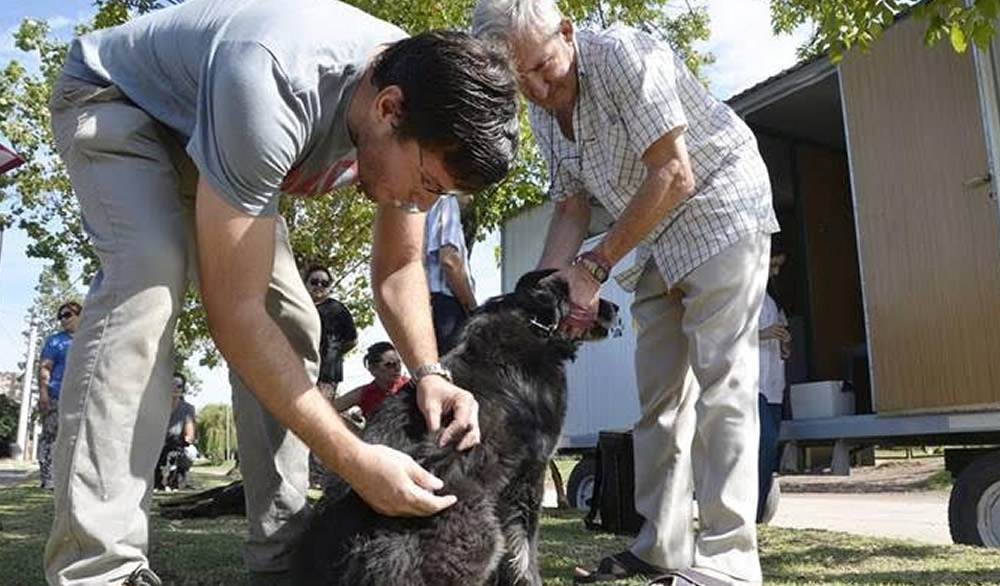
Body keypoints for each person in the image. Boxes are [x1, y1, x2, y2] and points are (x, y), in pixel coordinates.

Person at [45, 0, 519, 584]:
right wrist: (353, 459)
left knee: (294, 321)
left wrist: (431, 373)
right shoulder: (274, 80)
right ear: (388, 109)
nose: (420, 205)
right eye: (425, 184)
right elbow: (234, 315)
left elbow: (398, 270)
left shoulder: (423, 92)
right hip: (118, 102)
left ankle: (284, 559)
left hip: (215, 140)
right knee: (146, 284)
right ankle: (101, 566)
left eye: (438, 195)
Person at [473, 2, 779, 584]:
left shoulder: (625, 56)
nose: (537, 89)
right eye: (521, 81)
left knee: (723, 381)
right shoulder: (543, 113)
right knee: (660, 397)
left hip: (720, 206)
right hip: (657, 231)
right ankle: (660, 545)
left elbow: (673, 172)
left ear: (567, 31)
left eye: (543, 68)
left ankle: (729, 560)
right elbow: (571, 206)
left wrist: (595, 265)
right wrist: (541, 297)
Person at [757, 242, 790, 523]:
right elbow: (725, 339)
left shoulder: (774, 300)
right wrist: (764, 333)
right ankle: (752, 513)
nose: (775, 272)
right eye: (772, 265)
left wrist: (784, 345)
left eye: (779, 267)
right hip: (752, 384)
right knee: (762, 443)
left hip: (774, 385)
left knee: (769, 450)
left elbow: (781, 336)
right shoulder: (743, 296)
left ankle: (758, 515)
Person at [36, 301, 81, 490]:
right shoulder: (55, 341)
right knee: (50, 437)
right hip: (56, 396)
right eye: (60, 316)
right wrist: (44, 393)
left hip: (82, 399)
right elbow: (45, 367)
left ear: (80, 315)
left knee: (78, 439)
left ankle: (74, 479)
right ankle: (48, 479)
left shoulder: (91, 338)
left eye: (67, 315)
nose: (63, 319)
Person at [424, 195, 477, 353]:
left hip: (424, 305)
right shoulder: (447, 201)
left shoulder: (421, 205)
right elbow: (449, 260)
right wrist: (473, 309)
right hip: (447, 306)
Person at [304, 266, 359, 395]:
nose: (319, 285)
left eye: (324, 283)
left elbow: (352, 341)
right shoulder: (298, 307)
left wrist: (333, 354)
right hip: (298, 371)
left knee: (315, 413)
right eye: (314, 281)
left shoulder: (337, 309)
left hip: (326, 377)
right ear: (305, 284)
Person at [333, 342, 410, 419]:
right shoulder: (364, 393)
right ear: (373, 369)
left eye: (398, 363)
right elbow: (328, 410)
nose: (397, 368)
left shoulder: (410, 386)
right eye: (390, 365)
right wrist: (350, 429)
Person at [154, 373, 197, 491]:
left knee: (191, 452)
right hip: (157, 444)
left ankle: (177, 479)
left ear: (183, 389)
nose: (175, 388)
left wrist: (187, 439)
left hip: (176, 444)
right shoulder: (155, 406)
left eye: (179, 386)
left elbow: (190, 434)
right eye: (171, 385)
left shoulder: (188, 409)